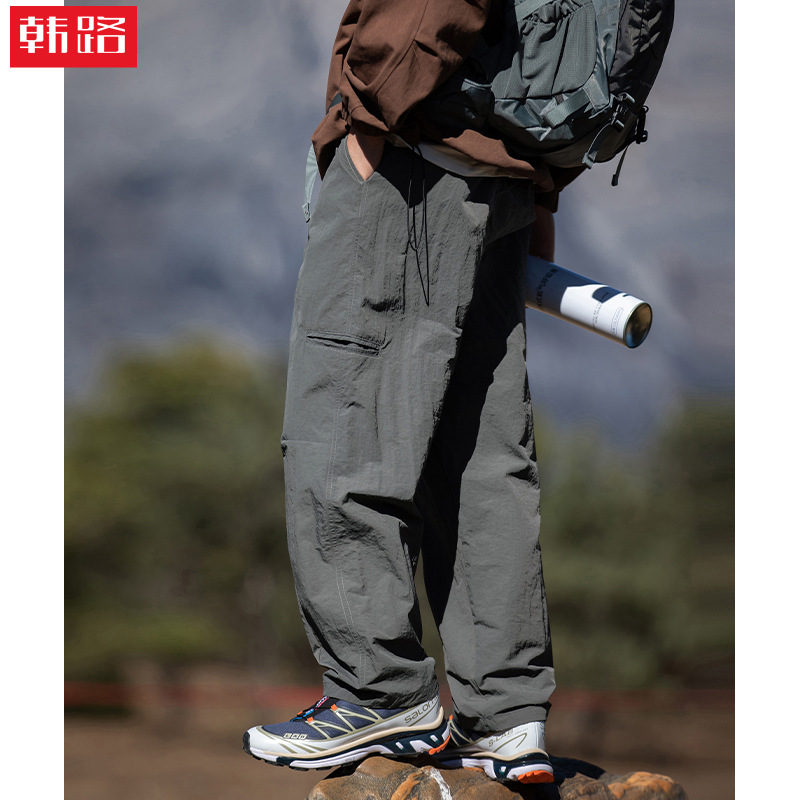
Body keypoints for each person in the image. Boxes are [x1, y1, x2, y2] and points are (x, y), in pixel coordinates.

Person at [244, 0, 583, 784]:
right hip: (506, 172)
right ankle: (506, 714)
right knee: (481, 457)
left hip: (412, 159)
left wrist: (371, 118)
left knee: (344, 432)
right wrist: (544, 183)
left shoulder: (392, 127)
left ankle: (378, 692)